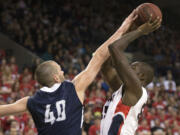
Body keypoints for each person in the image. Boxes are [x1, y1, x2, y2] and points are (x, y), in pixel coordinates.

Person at [0, 10, 138, 135]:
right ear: (55, 77)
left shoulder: (31, 102)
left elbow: (3, 110)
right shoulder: (73, 88)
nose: (63, 71)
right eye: (60, 70)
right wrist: (124, 26)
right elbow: (99, 56)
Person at [100, 17, 161, 135]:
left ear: (141, 77)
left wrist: (139, 31)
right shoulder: (125, 89)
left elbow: (114, 48)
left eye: (132, 68)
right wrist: (128, 32)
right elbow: (106, 67)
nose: (127, 68)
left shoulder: (137, 89)